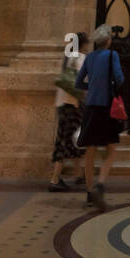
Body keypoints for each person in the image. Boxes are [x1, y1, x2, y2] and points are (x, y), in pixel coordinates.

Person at [75, 25, 124, 208]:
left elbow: (79, 81)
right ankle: (101, 183)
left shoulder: (89, 58)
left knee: (90, 150)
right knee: (111, 149)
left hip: (91, 107)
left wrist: (92, 87)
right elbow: (120, 79)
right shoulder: (113, 56)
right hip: (107, 107)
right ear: (109, 40)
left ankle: (89, 192)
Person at [50, 32, 89, 191]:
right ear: (84, 44)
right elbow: (83, 81)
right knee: (68, 140)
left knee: (75, 139)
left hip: (62, 103)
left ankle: (79, 174)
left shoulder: (67, 56)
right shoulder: (81, 58)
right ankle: (54, 179)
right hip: (73, 105)